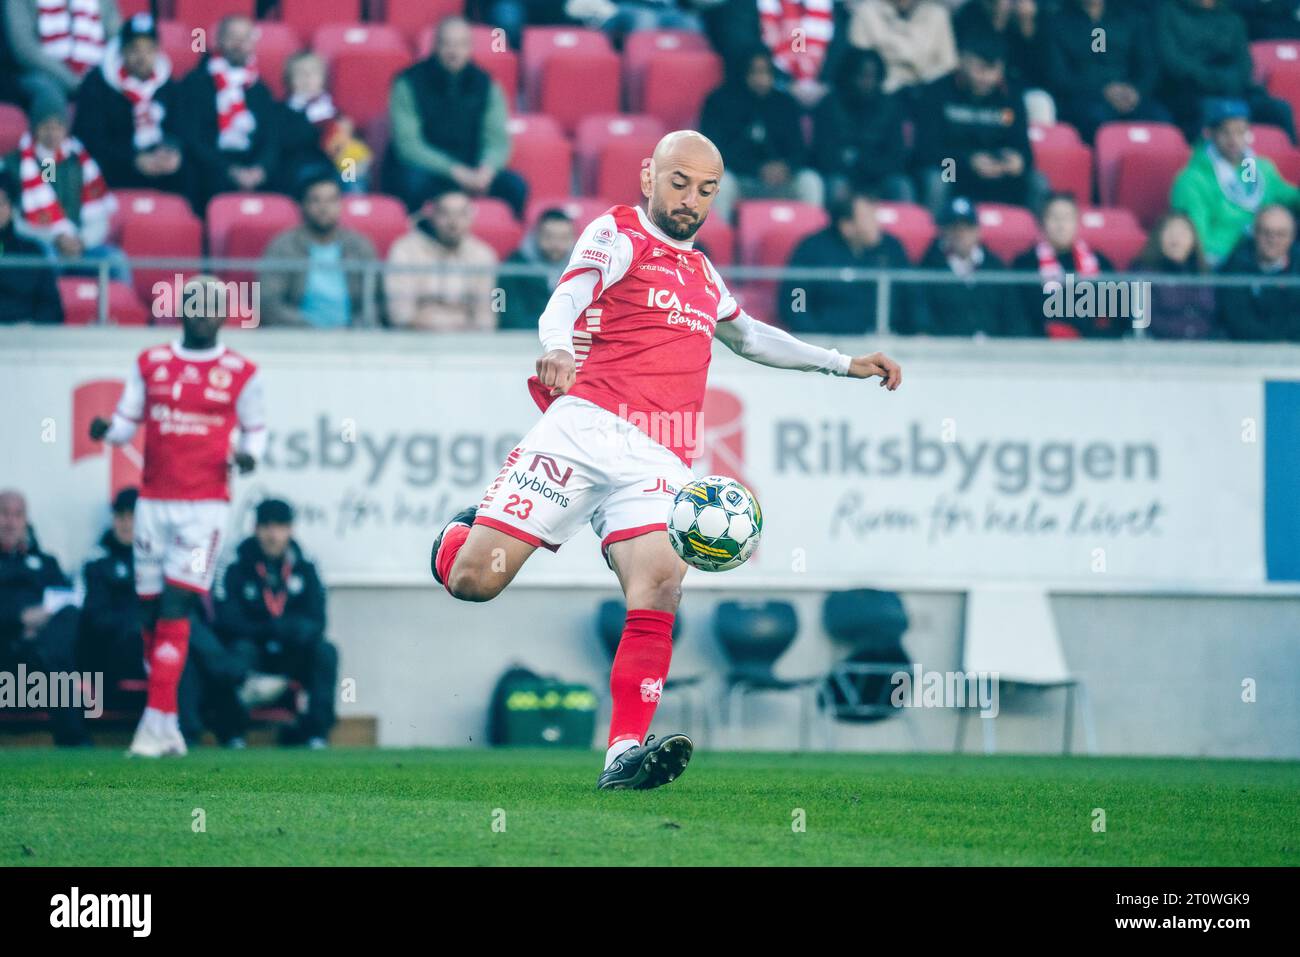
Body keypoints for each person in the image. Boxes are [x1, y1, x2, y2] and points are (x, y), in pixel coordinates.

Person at [428, 130, 902, 791]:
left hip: (659, 457)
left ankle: (623, 752)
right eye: (679, 182)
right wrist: (557, 346)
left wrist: (843, 363)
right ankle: (456, 537)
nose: (691, 199)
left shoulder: (704, 272)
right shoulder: (617, 232)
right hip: (581, 429)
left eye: (706, 189)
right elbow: (569, 292)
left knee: (660, 589)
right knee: (474, 581)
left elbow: (752, 336)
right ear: (649, 174)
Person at [87, 275, 267, 757]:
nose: (204, 313)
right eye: (196, 304)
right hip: (152, 502)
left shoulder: (242, 371)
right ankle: (167, 727)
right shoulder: (151, 362)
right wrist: (107, 429)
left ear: (226, 314)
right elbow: (127, 423)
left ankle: (152, 725)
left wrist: (248, 457)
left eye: (213, 306)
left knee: (175, 605)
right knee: (148, 609)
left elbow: (255, 433)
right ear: (181, 308)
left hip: (205, 505)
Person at [214, 499, 337, 749]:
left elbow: (318, 620)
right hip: (253, 649)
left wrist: (290, 630)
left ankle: (315, 733)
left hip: (291, 651)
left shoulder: (307, 563)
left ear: (290, 529)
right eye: (266, 527)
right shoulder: (235, 562)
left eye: (280, 527)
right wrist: (268, 629)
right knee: (234, 654)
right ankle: (231, 732)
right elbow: (225, 619)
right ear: (255, 528)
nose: (273, 535)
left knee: (326, 652)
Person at [386, 16, 526, 216]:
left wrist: (486, 172)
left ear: (470, 48)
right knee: (411, 182)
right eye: (447, 44)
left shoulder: (487, 84)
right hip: (427, 170)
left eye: (461, 44)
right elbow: (409, 146)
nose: (454, 52)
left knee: (515, 187)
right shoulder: (407, 83)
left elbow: (498, 141)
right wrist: (456, 172)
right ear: (435, 46)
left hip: (473, 169)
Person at [2, 91, 126, 282]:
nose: (52, 134)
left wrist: (81, 241)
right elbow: (13, 219)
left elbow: (99, 217)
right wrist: (54, 238)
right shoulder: (14, 164)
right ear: (35, 128)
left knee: (115, 259)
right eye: (46, 126)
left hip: (80, 245)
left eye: (58, 126)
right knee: (45, 258)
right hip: (42, 244)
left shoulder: (80, 162)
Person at [912, 31, 1040, 215]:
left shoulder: (1011, 96)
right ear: (962, 61)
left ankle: (1038, 241)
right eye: (980, 69)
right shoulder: (937, 92)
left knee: (1037, 181)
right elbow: (925, 152)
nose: (986, 78)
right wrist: (968, 162)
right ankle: (934, 238)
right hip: (956, 170)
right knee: (938, 178)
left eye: (993, 70)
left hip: (998, 173)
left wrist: (1017, 161)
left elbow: (1025, 151)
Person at [0, 490, 88, 746]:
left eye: (17, 515)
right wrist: (20, 619)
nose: (10, 521)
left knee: (67, 616)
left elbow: (64, 602)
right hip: (6, 652)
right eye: (4, 513)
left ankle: (45, 652)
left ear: (26, 520)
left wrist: (41, 625)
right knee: (55, 659)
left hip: (40, 656)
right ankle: (75, 738)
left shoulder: (47, 563)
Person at [699, 47, 824, 223]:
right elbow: (713, 152)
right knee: (721, 183)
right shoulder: (719, 102)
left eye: (766, 72)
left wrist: (786, 167)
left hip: (780, 181)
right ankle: (721, 244)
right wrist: (756, 169)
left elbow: (800, 150)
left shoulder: (785, 103)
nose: (761, 79)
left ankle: (813, 241)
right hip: (741, 178)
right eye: (755, 72)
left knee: (810, 181)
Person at [1170, 98, 1300, 267]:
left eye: (1240, 132)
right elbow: (1197, 236)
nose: (1234, 139)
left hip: (1261, 252)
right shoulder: (1193, 180)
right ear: (1210, 133)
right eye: (1226, 132)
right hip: (1222, 260)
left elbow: (1288, 196)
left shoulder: (1256, 168)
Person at [173, 15, 283, 210]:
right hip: (209, 165)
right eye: (232, 37)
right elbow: (190, 136)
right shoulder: (196, 82)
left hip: (250, 163)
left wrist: (260, 168)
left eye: (245, 38)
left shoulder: (260, 89)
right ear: (219, 40)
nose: (239, 44)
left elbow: (271, 136)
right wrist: (228, 170)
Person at [71, 13, 186, 196]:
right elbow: (89, 139)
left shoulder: (167, 85)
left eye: (149, 50)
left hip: (159, 166)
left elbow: (179, 128)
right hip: (116, 167)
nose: (142, 57)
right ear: (122, 51)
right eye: (134, 49)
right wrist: (134, 160)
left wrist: (172, 150)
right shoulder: (97, 84)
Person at [1155, 0, 1294, 142]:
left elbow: (1244, 65)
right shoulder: (1167, 14)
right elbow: (1173, 62)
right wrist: (1213, 80)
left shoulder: (1231, 19)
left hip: (1232, 89)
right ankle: (1205, 162)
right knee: (1207, 111)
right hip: (1190, 91)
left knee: (1279, 110)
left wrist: (1227, 82)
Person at [259, 171, 379, 328]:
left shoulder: (360, 246)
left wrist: (356, 328)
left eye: (331, 200)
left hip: (353, 338)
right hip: (296, 338)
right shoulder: (283, 246)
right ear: (302, 205)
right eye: (315, 200)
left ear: (341, 204)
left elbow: (376, 301)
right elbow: (269, 303)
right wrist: (307, 327)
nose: (324, 208)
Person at [779, 191, 910, 333]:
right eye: (869, 218)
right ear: (846, 226)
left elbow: (912, 294)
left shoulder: (891, 247)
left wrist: (920, 329)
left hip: (885, 339)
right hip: (826, 342)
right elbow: (796, 296)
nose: (877, 224)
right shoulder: (811, 249)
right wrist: (809, 332)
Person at [1045, 0, 1171, 143]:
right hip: (1084, 98)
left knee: (1160, 118)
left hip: (1129, 95)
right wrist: (1103, 90)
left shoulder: (1130, 18)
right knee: (1097, 119)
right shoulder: (1057, 23)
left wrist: (1136, 91)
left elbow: (1148, 65)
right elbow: (1058, 76)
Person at [906, 195, 1028, 336]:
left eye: (967, 227)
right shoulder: (928, 268)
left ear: (978, 231)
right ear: (943, 232)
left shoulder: (995, 267)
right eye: (954, 227)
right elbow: (923, 320)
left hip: (994, 352)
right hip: (946, 353)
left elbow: (1014, 318)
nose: (961, 234)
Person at [385, 190, 499, 331]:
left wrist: (444, 322)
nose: (454, 223)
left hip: (469, 345)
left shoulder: (483, 255)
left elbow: (487, 318)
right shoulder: (404, 250)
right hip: (414, 342)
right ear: (432, 215)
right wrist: (456, 321)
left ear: (471, 218)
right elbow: (399, 314)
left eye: (461, 214)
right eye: (445, 214)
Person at [813, 47, 914, 204]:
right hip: (842, 177)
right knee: (836, 185)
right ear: (849, 76)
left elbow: (897, 157)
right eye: (862, 76)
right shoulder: (830, 104)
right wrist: (855, 167)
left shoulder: (890, 108)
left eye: (872, 76)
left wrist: (863, 163)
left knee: (901, 186)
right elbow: (824, 156)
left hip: (879, 178)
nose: (867, 82)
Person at [1012, 192, 1120, 337]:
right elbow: (1027, 312)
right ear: (1042, 223)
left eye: (1068, 218)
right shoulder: (1025, 264)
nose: (1061, 225)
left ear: (1077, 223)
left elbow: (1116, 309)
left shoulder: (1100, 262)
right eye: (1054, 218)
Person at [283, 51, 372, 194]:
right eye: (300, 73)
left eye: (313, 73)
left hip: (335, 164)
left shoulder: (334, 111)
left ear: (323, 79)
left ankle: (353, 206)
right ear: (289, 80)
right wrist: (324, 130)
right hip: (303, 167)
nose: (307, 78)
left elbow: (346, 143)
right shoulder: (282, 111)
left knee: (351, 168)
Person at [4, 0, 119, 109]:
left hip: (95, 75)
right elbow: (25, 48)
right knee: (48, 95)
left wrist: (97, 77)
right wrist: (73, 81)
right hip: (41, 74)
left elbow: (117, 42)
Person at [1217, 203, 1300, 340]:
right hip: (1248, 351)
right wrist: (1273, 343)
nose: (1273, 239)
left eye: (1281, 234)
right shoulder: (1235, 265)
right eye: (1266, 232)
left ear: (1292, 237)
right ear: (1255, 233)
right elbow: (1237, 319)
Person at [1135, 211, 1219, 339]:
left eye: (1182, 233)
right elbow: (1143, 320)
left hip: (1207, 348)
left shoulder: (1206, 274)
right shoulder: (1143, 273)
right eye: (1170, 232)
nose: (1176, 239)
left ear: (1194, 239)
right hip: (1158, 349)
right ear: (1158, 237)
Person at [847, 0, 957, 95]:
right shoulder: (866, 12)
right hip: (882, 93)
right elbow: (859, 62)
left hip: (925, 94)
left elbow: (948, 65)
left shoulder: (937, 15)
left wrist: (921, 84)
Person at [498, 207, 576, 330]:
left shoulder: (584, 270)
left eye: (563, 238)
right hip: (522, 342)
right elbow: (509, 316)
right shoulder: (514, 268)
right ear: (536, 235)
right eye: (549, 237)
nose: (556, 244)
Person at [0, 189, 62, 324]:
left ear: (11, 208)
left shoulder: (32, 252)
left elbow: (51, 305)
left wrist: (32, 327)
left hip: (26, 336)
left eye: (1, 203)